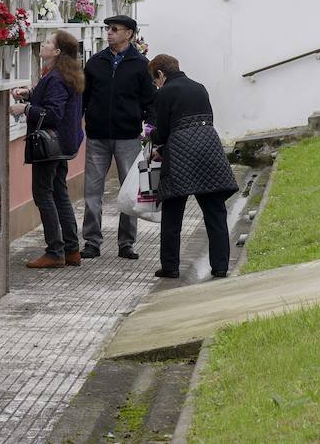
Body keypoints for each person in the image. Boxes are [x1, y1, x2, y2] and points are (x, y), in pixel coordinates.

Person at [147, 54, 238, 279]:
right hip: (209, 148)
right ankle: (220, 266)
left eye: (155, 79)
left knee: (173, 211)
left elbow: (165, 130)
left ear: (160, 74)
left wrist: (155, 142)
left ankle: (170, 266)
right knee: (215, 211)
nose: (156, 84)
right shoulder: (200, 88)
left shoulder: (165, 92)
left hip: (180, 154)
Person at [81, 14, 155, 259]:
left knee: (129, 190)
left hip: (127, 137)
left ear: (129, 34)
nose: (109, 33)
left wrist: (148, 128)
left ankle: (126, 243)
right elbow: (84, 98)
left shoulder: (141, 64)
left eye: (114, 29)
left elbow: (150, 101)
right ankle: (92, 241)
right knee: (92, 191)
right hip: (97, 137)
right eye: (108, 29)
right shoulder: (95, 62)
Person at [11, 31, 85, 268]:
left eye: (49, 42)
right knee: (60, 193)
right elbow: (54, 100)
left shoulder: (55, 77)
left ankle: (55, 251)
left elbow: (53, 114)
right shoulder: (63, 74)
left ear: (57, 52)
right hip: (63, 144)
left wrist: (25, 109)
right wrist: (31, 93)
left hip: (50, 145)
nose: (43, 44)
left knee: (43, 194)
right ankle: (72, 250)